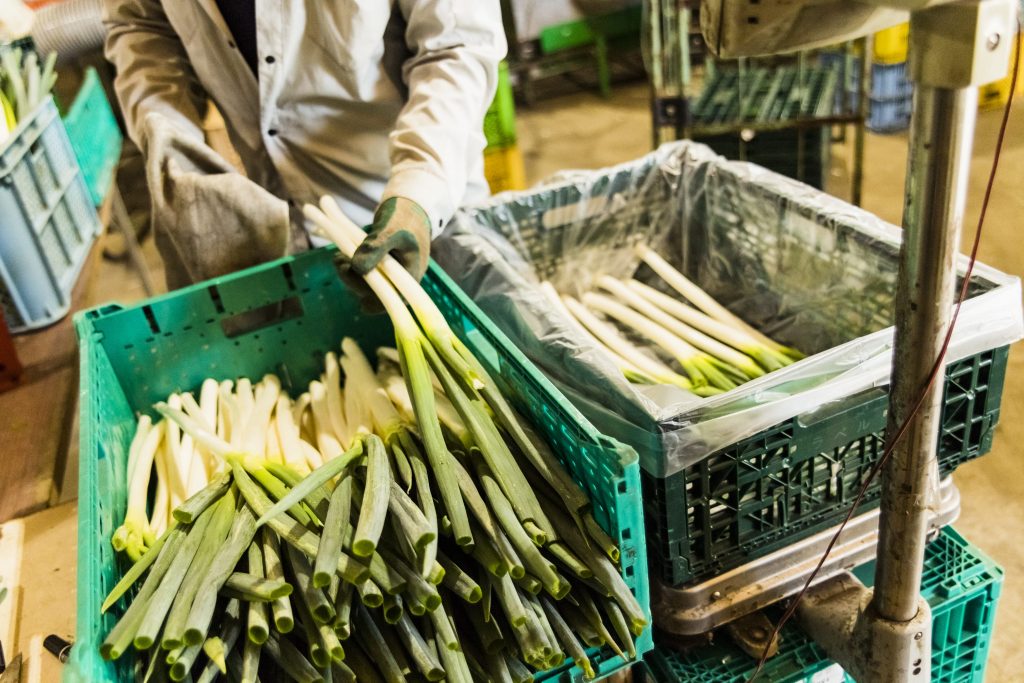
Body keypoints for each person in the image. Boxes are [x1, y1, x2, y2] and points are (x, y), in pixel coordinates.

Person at [103, 1, 506, 289]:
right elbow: (140, 24)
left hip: (414, 200)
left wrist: (419, 187)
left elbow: (456, 45)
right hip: (280, 210)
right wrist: (172, 139)